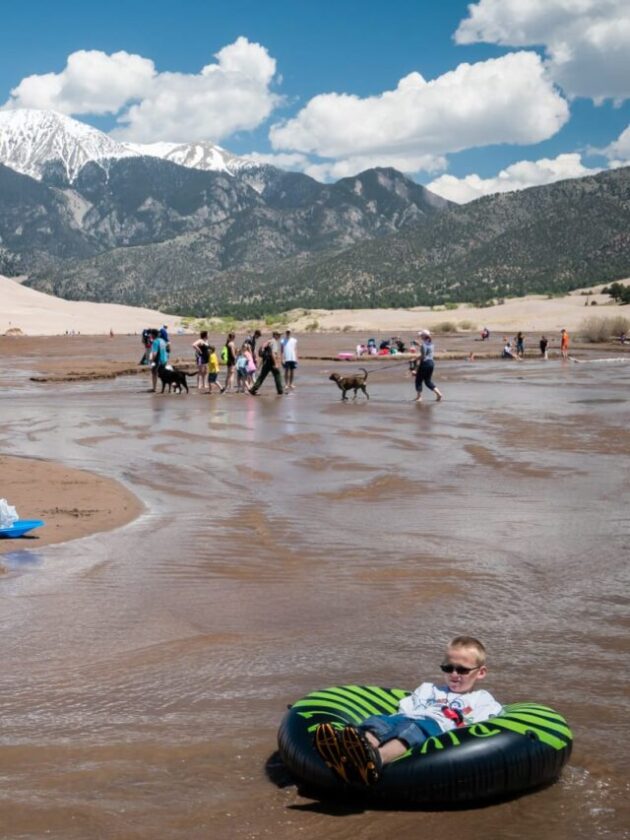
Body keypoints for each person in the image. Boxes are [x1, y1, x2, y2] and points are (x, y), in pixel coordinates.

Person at [314, 636, 502, 787]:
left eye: (461, 670)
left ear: (481, 672)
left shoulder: (481, 699)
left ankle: (377, 758)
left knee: (414, 729)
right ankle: (354, 749)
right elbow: (405, 710)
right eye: (448, 668)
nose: (453, 674)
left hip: (437, 724)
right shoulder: (428, 689)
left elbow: (486, 724)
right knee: (381, 722)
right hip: (408, 717)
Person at [249, 331, 284, 396]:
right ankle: (280, 391)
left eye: (280, 335)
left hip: (267, 361)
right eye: (279, 335)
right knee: (277, 374)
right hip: (271, 361)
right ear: (275, 335)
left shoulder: (269, 341)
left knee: (262, 376)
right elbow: (273, 353)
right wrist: (275, 363)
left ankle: (253, 389)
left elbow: (264, 349)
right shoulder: (274, 342)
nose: (280, 336)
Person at [413, 329, 443, 402]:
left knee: (418, 380)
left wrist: (414, 359)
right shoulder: (431, 344)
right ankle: (439, 394)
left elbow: (423, 356)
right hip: (431, 364)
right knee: (427, 381)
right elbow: (426, 349)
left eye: (421, 336)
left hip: (425, 363)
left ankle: (419, 397)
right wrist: (419, 344)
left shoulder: (423, 345)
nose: (420, 337)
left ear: (423, 336)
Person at [149, 328, 169, 392]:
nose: (150, 335)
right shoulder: (162, 340)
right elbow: (166, 350)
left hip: (158, 361)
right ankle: (173, 385)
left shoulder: (155, 342)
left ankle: (154, 388)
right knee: (163, 374)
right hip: (164, 360)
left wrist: (152, 360)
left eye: (151, 334)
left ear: (153, 335)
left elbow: (154, 353)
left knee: (154, 374)